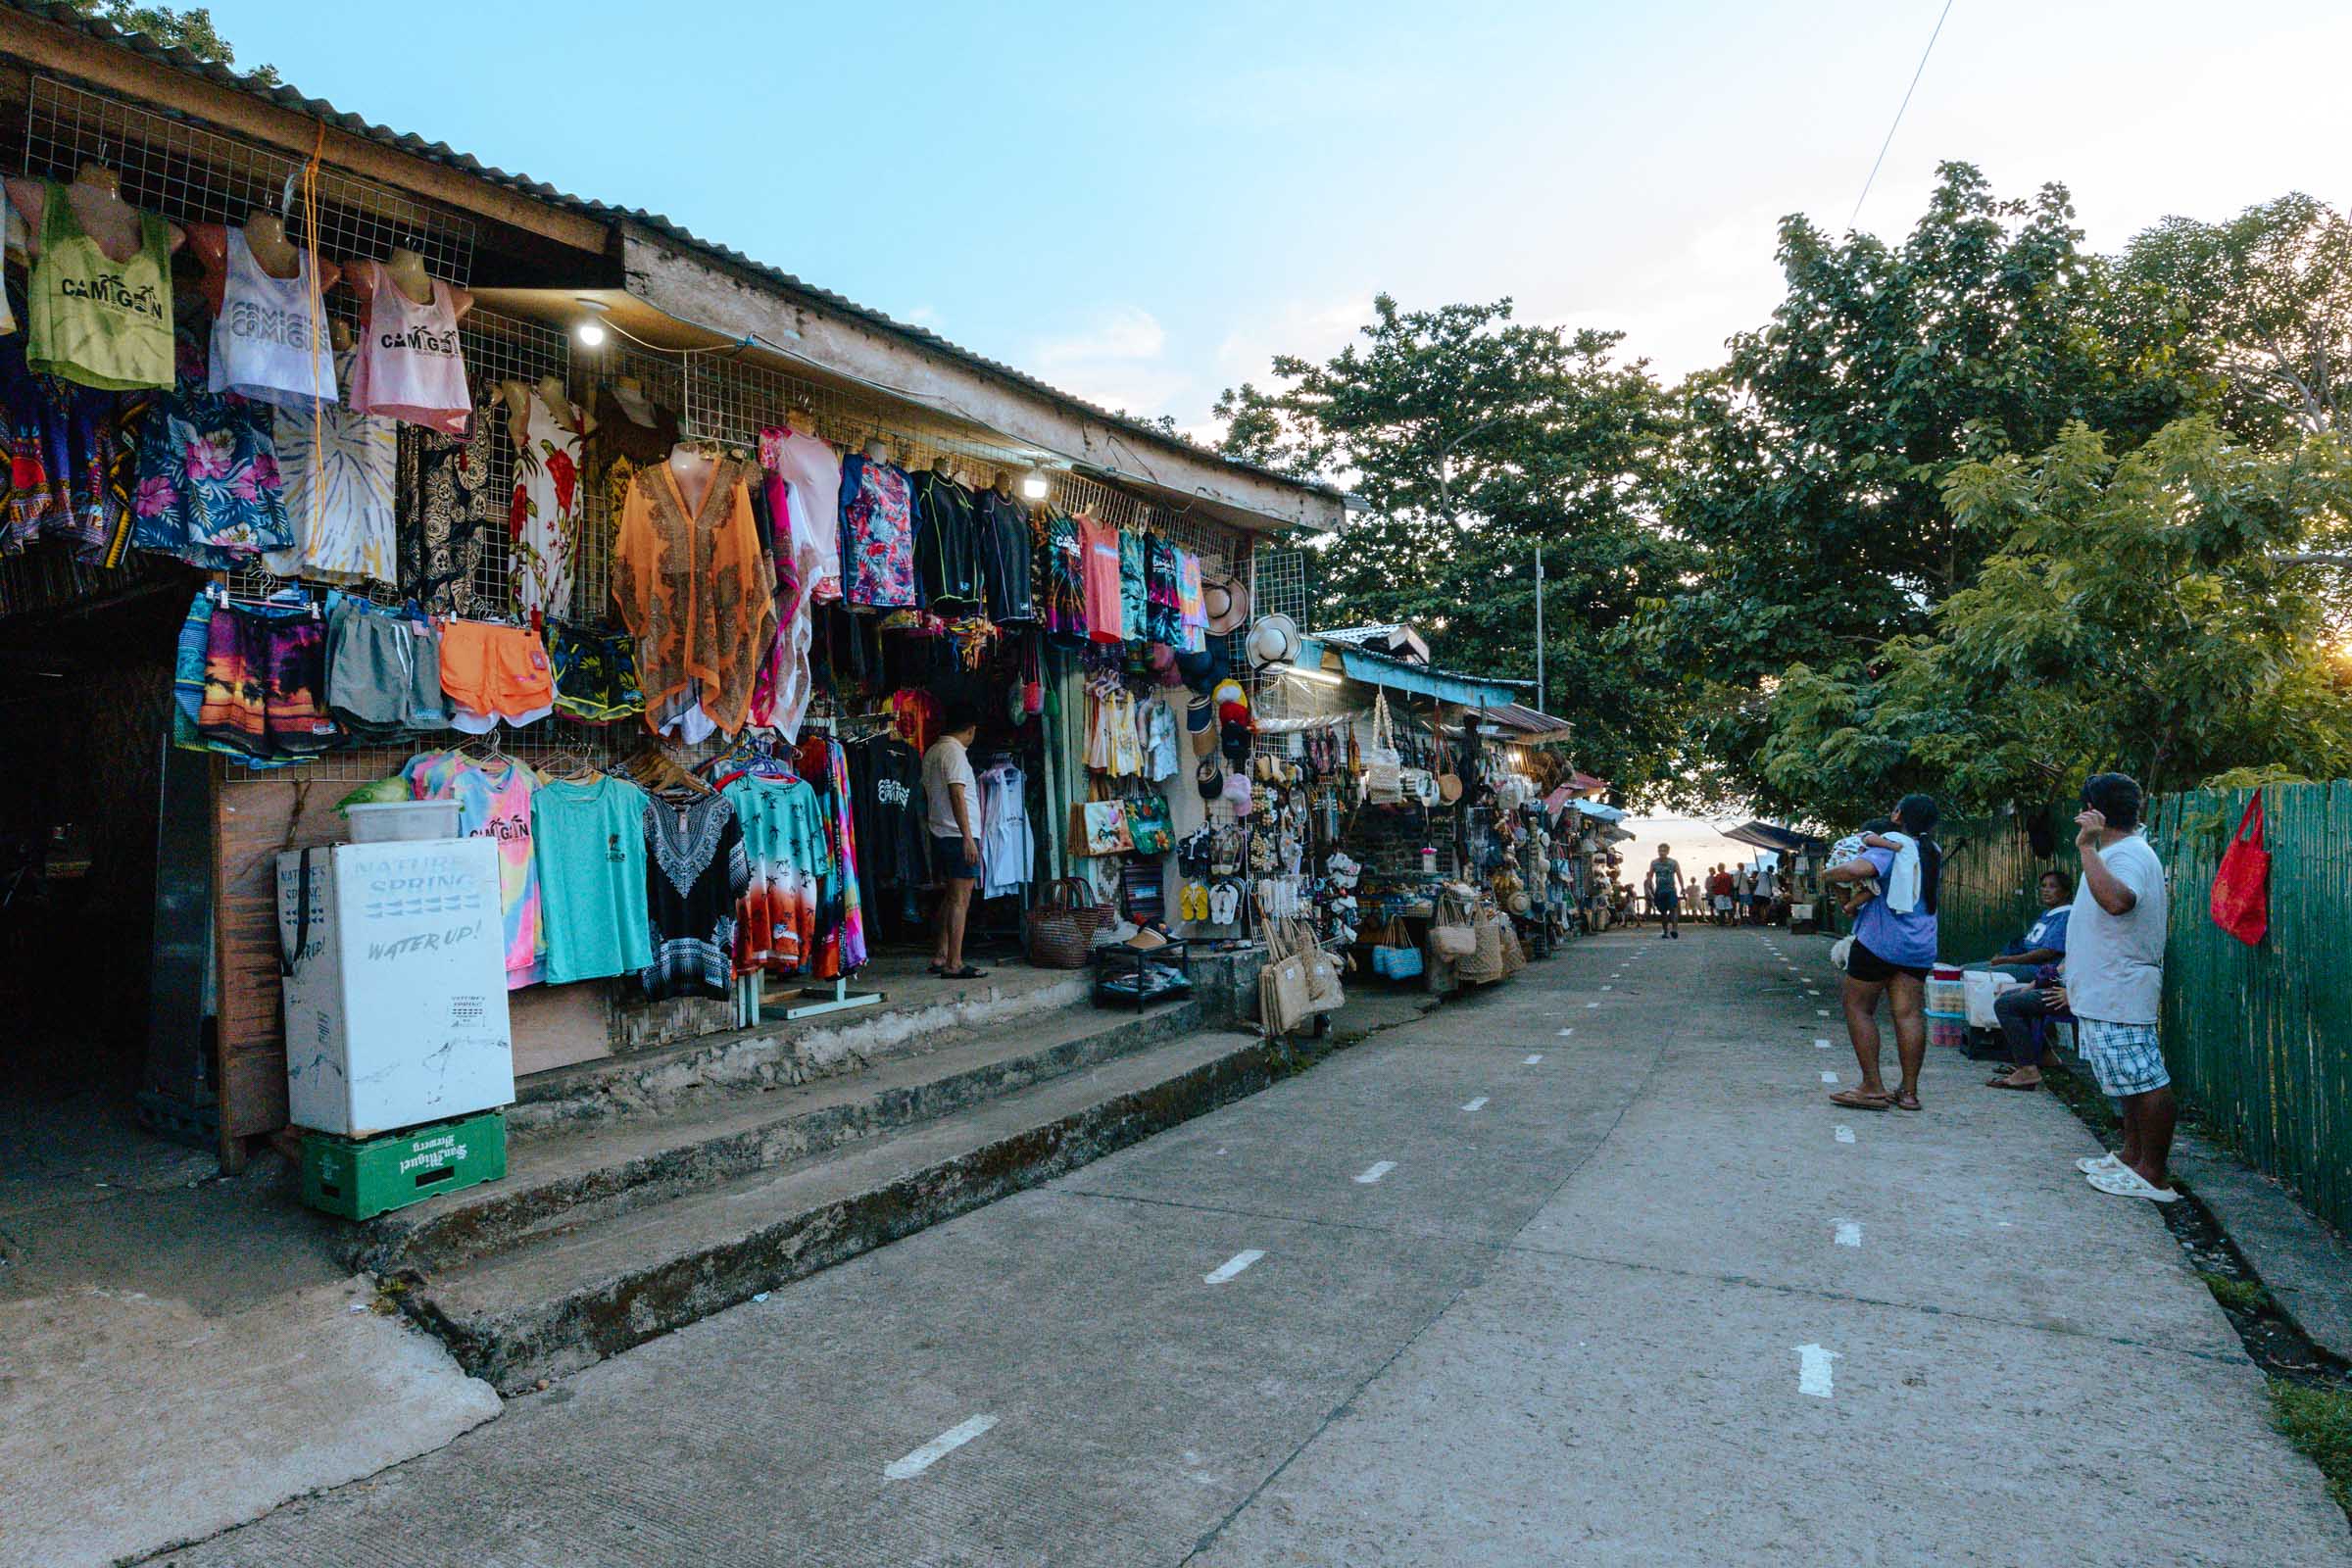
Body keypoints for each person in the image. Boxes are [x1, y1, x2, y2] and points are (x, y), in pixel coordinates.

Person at [2067, 774, 2177, 1201]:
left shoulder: (2126, 854)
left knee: (2145, 1079)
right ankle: (2133, 1158)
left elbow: (2117, 901)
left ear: (2092, 811)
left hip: (2119, 987)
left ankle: (2154, 1173)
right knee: (2127, 1080)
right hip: (2105, 987)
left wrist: (2086, 847)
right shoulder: (2121, 850)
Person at [1823, 793, 1941, 1112]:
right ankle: (1909, 1092)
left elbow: (1855, 870)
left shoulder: (1891, 845)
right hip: (1919, 947)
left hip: (1879, 942)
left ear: (1898, 815)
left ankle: (1872, 1086)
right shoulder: (1932, 851)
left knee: (1858, 1008)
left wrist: (1829, 874)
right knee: (1909, 1015)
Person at [1975, 869, 2072, 1090]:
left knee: (2004, 999)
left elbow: (2048, 954)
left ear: (2066, 892)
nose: (2046, 890)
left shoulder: (2066, 914)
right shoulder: (2049, 914)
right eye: (2043, 886)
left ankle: (2027, 1068)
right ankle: (2041, 1056)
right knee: (1972, 971)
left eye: (2052, 886)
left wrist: (2009, 960)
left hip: (2046, 975)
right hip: (2041, 975)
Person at [920, 695, 985, 980]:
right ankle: (954, 962)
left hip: (940, 831)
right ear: (970, 729)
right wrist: (968, 837)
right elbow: (957, 794)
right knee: (961, 898)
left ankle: (941, 954)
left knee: (950, 897)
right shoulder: (956, 754)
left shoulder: (933, 751)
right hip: (958, 834)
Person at [1648, 844, 1683, 940]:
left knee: (1673, 909)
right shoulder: (1654, 863)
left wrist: (1682, 887)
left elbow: (1679, 875)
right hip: (1660, 890)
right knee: (1663, 912)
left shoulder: (1673, 862)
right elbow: (1650, 877)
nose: (1661, 853)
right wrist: (1650, 890)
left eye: (1663, 851)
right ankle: (1665, 932)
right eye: (1660, 851)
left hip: (1671, 889)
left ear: (1668, 852)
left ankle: (1674, 929)